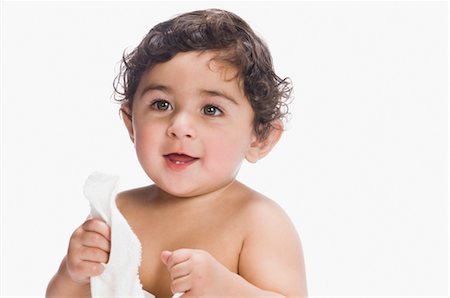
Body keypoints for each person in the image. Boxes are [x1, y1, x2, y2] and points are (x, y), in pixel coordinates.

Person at [46, 8, 307, 297]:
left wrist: (227, 289)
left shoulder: (258, 221)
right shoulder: (118, 213)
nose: (180, 127)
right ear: (131, 123)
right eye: (161, 104)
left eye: (211, 109)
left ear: (260, 138)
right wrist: (72, 276)